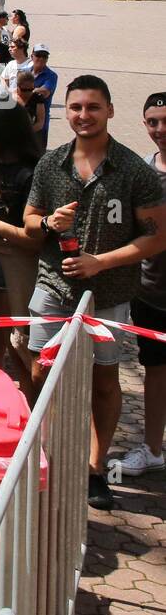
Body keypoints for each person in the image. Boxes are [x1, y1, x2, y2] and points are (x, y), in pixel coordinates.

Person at [23, 76, 166, 511]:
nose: (83, 115)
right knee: (40, 372)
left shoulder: (134, 170)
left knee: (104, 380)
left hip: (109, 293)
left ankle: (94, 468)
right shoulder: (51, 164)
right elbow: (30, 220)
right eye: (76, 107)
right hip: (52, 285)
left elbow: (157, 237)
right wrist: (49, 225)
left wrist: (100, 262)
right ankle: (41, 455)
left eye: (93, 107)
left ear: (109, 111)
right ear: (66, 111)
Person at [0, 100, 42, 393]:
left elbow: (36, 236)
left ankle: (31, 418)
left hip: (16, 271)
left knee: (22, 351)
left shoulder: (31, 174)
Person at [116, 92, 166, 475]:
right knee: (156, 372)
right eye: (152, 122)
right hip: (152, 292)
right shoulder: (143, 172)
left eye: (165, 122)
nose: (160, 130)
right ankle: (152, 449)